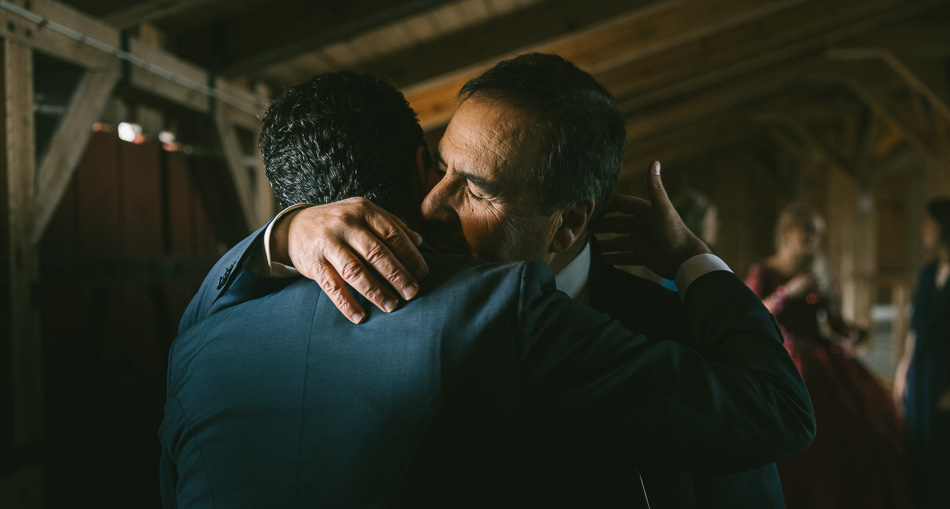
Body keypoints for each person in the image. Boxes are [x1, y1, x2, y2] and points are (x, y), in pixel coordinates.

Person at [164, 69, 814, 507]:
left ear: (568, 223)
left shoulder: (678, 334)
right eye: (440, 167)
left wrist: (695, 263)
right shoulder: (383, 296)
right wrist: (287, 233)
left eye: (475, 189)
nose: (431, 201)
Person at [745, 202, 910, 509]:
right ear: (786, 232)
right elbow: (751, 312)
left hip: (820, 353)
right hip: (782, 355)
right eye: (807, 234)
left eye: (816, 235)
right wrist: (787, 292)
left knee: (861, 425)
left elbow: (834, 321)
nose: (812, 242)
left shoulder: (819, 270)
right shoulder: (764, 271)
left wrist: (852, 333)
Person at [894, 196, 950, 508]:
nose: (923, 229)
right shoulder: (929, 272)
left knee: (943, 451)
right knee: (917, 445)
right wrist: (903, 371)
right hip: (923, 368)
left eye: (928, 223)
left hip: (947, 369)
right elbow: (915, 329)